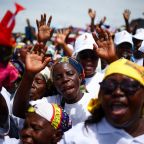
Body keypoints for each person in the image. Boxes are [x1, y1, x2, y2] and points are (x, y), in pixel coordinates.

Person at [59, 58, 144, 144]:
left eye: (128, 86)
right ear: (100, 95)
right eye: (109, 85)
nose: (117, 92)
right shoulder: (76, 138)